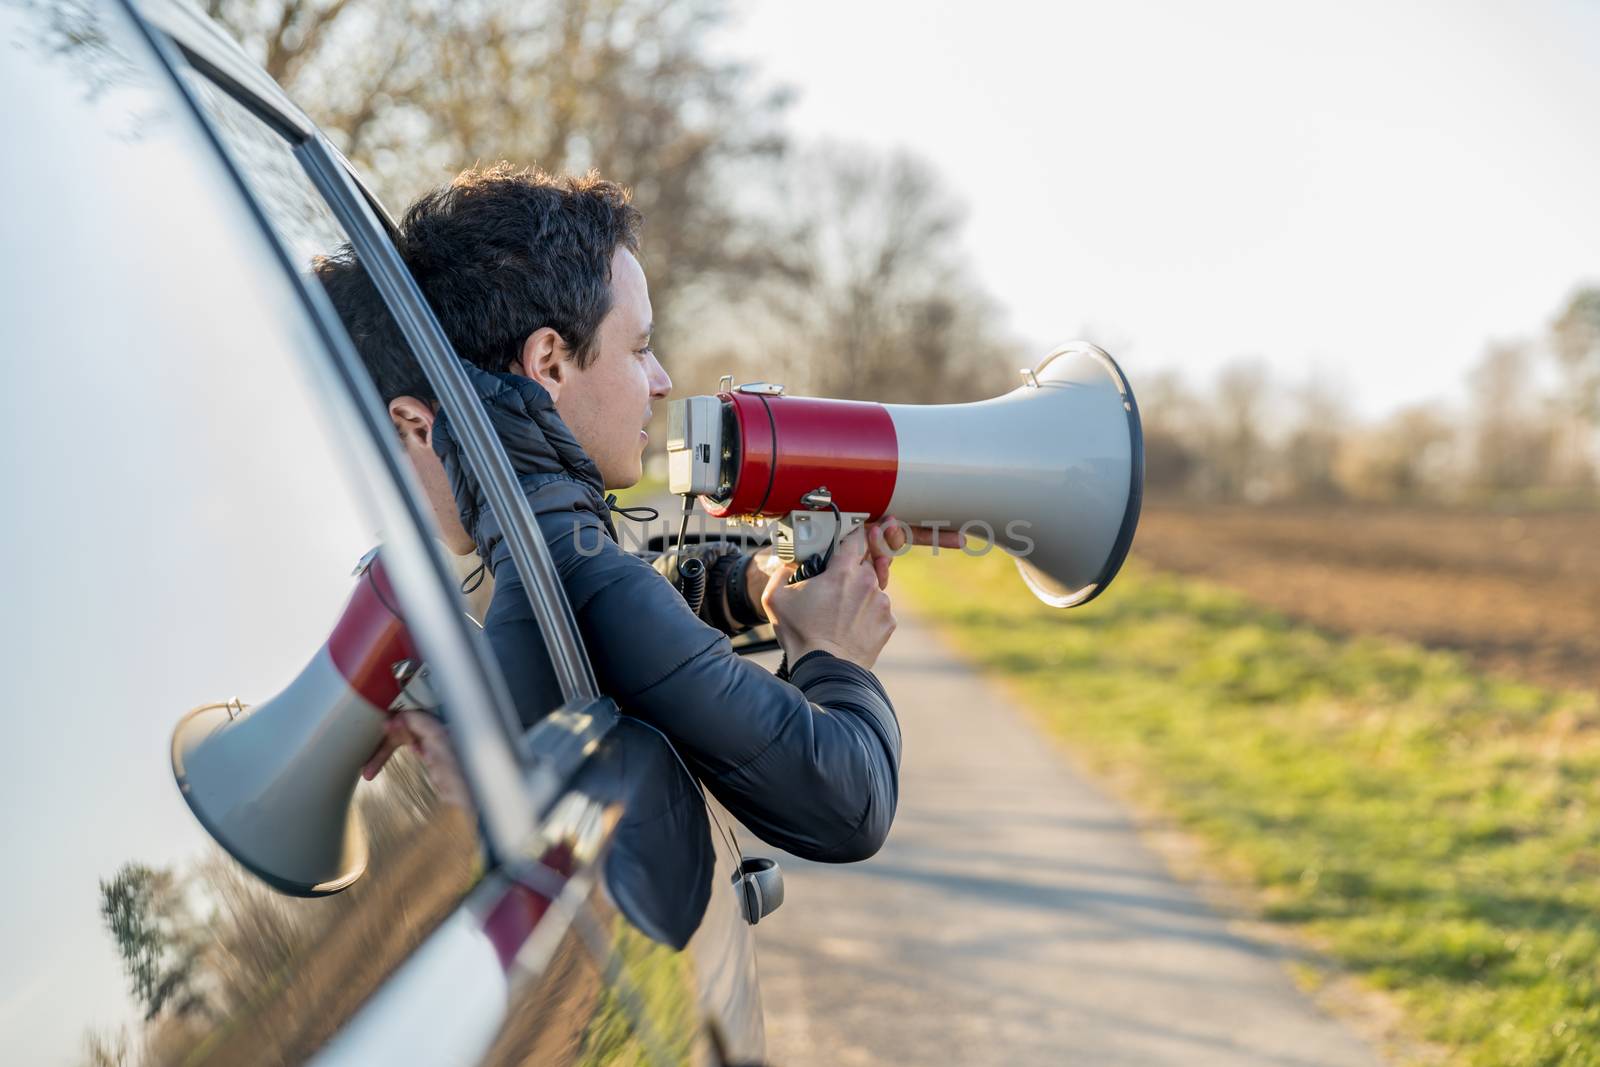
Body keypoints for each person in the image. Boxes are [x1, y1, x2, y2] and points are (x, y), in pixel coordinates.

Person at [332, 165, 950, 862]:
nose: (661, 383)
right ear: (549, 362)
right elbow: (846, 803)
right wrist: (835, 654)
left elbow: (615, 603)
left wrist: (753, 583)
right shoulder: (577, 573)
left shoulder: (545, 551)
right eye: (640, 347)